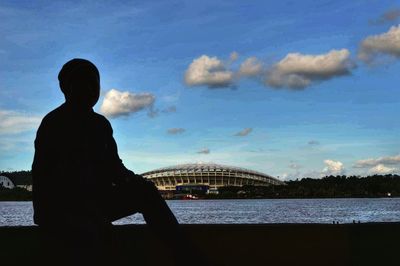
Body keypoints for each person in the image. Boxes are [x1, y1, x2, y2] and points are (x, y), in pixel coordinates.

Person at [32, 59, 198, 266]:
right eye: (84, 82)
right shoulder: (54, 124)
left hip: (93, 203)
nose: (91, 89)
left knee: (145, 192)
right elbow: (47, 178)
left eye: (95, 84)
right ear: (66, 87)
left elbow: (115, 168)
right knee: (96, 234)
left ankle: (184, 254)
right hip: (62, 208)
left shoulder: (100, 125)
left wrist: (139, 183)